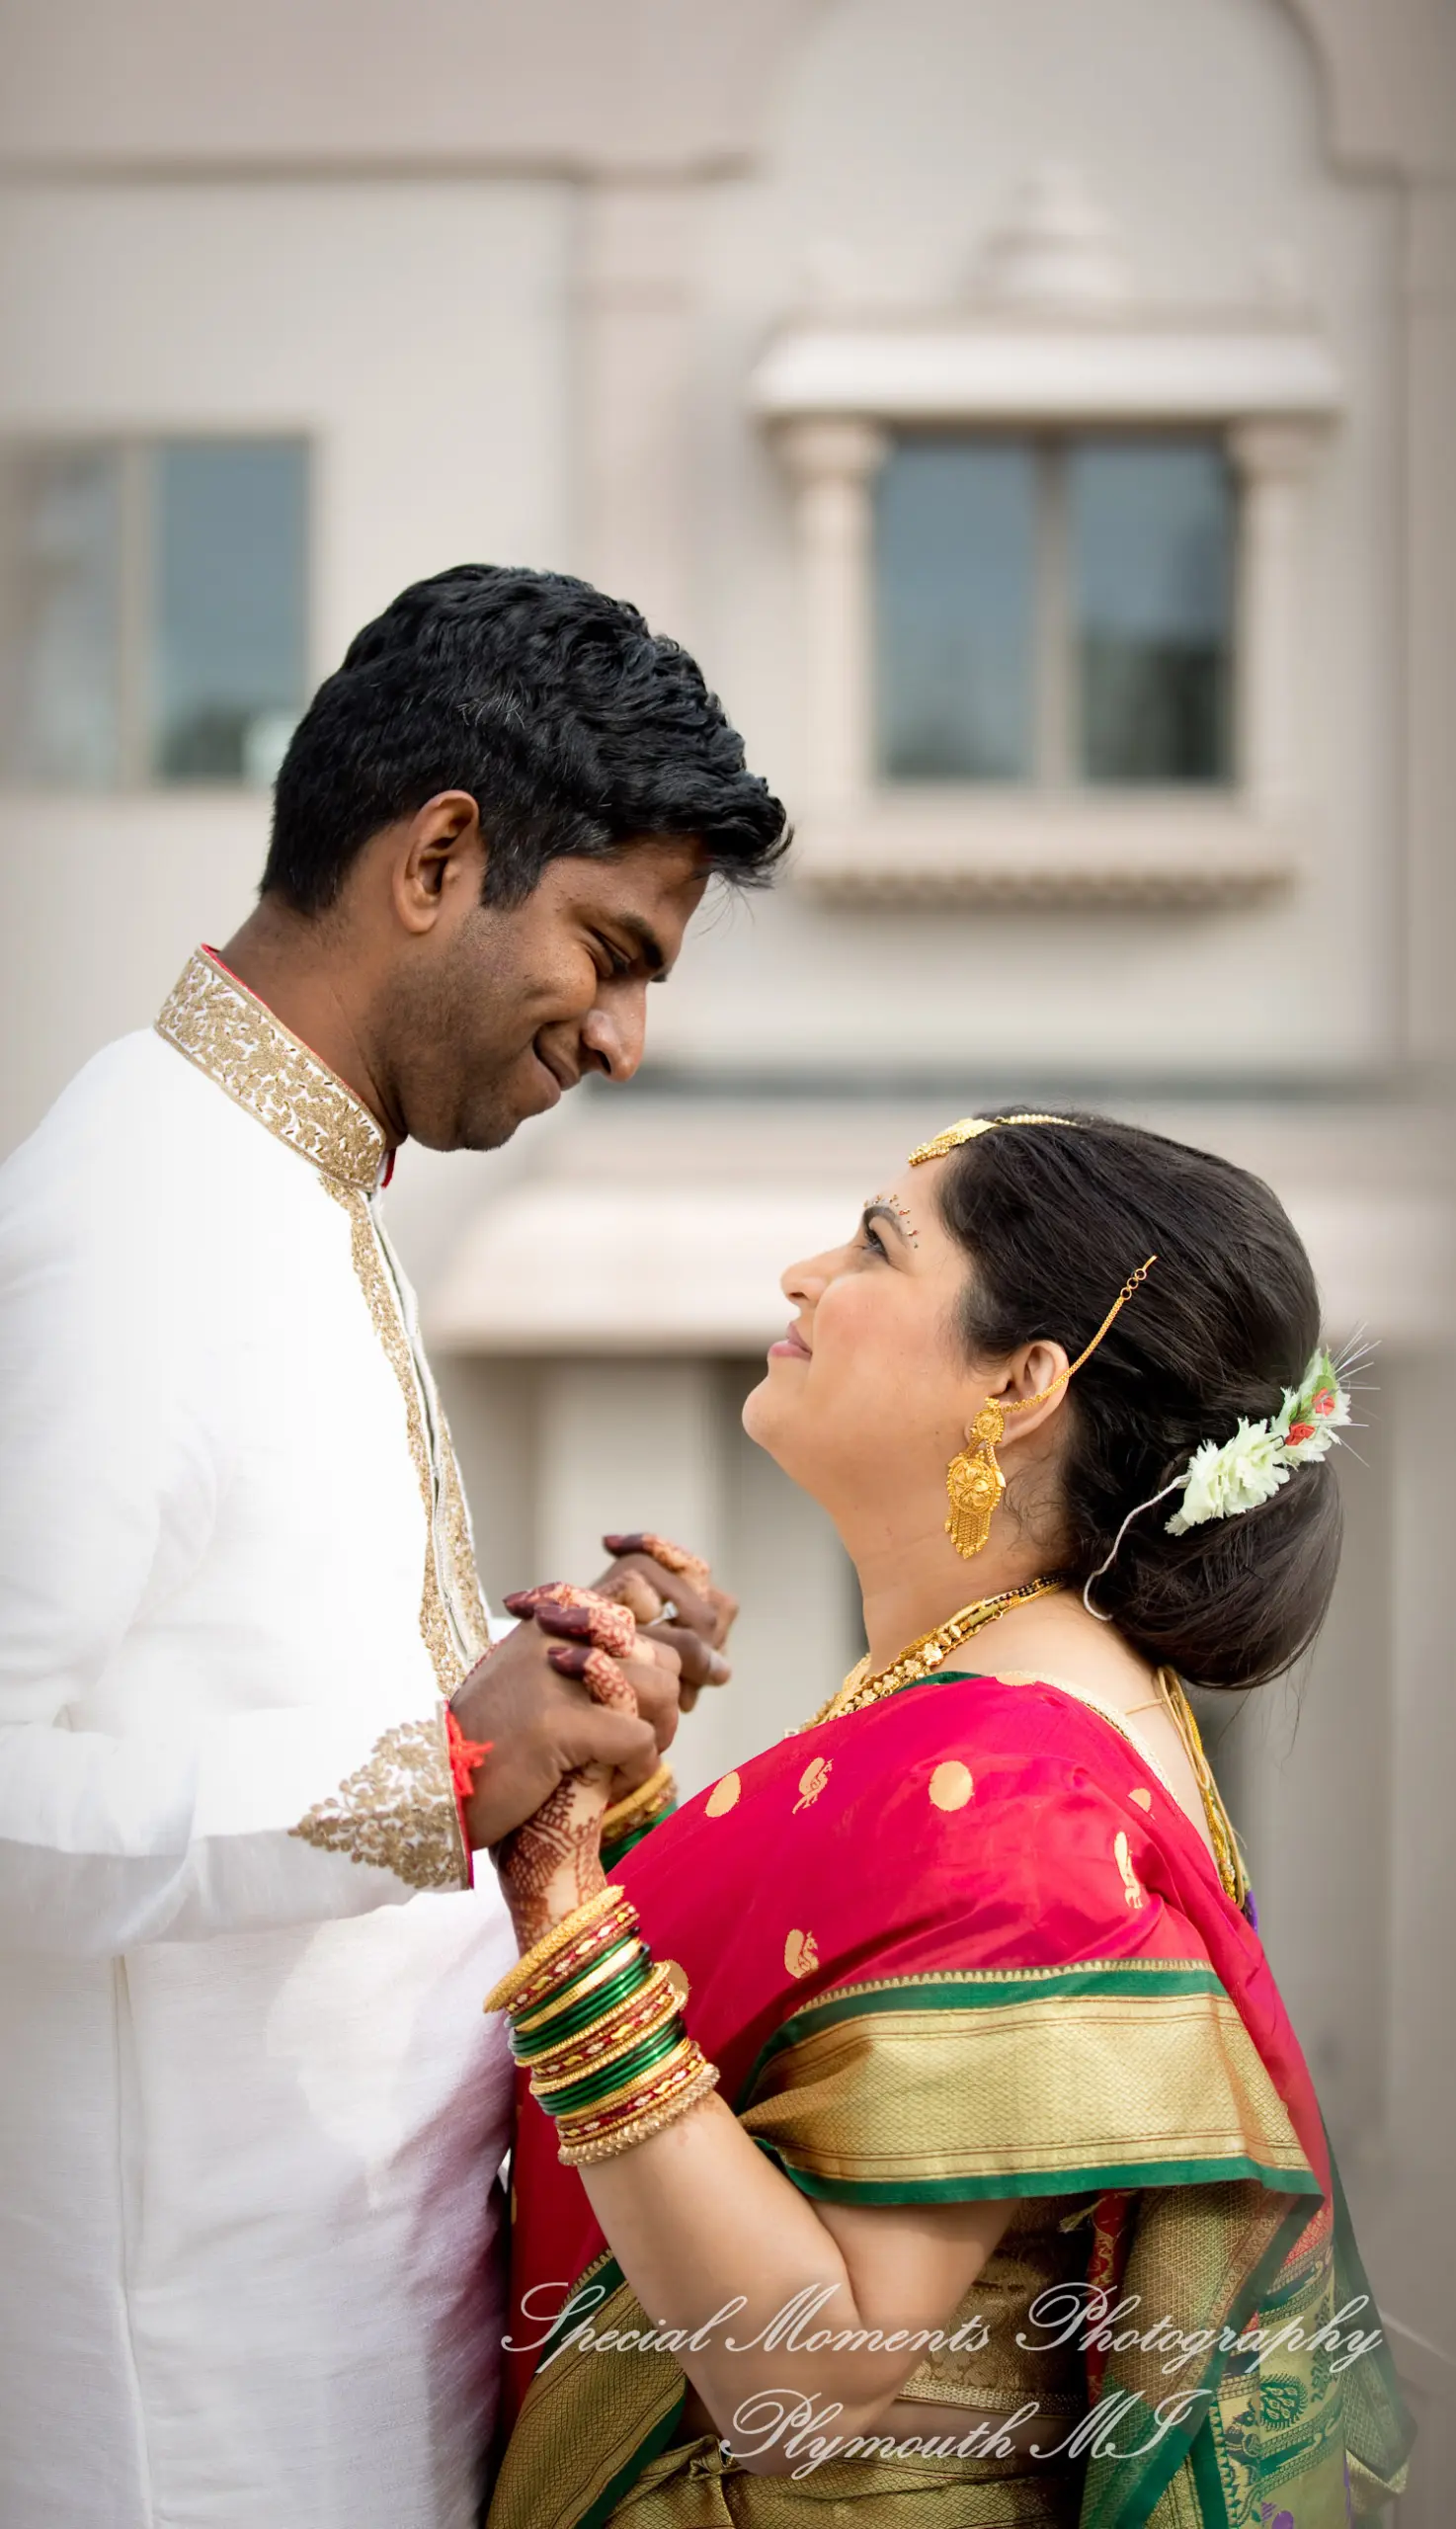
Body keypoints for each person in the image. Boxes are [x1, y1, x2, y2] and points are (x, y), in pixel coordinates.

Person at [0, 563, 786, 2529]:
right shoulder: (132, 1208)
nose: (615, 1036)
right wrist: (439, 1773)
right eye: (607, 950)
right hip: (200, 2421)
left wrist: (565, 1677)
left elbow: (254, 1664)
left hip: (360, 2361)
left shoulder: (300, 1185)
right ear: (440, 856)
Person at [488, 1109, 1413, 2528]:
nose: (801, 1275)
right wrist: (620, 1812)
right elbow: (788, 2073)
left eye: (873, 1244)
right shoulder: (998, 1702)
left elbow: (812, 2375)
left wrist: (555, 1900)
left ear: (1025, 1379)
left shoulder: (1011, 1783)